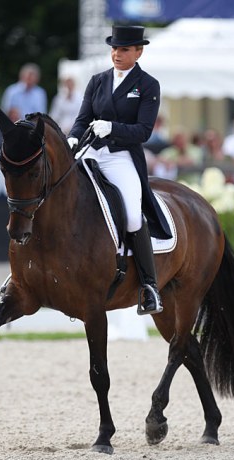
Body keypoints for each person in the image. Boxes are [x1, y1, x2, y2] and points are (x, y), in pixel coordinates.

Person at [67, 25, 173, 315]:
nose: (117, 54)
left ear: (138, 52)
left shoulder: (147, 85)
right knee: (56, 192)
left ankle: (149, 286)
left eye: (124, 49)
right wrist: (74, 136)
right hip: (90, 152)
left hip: (121, 156)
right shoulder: (97, 81)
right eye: (114, 48)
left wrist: (113, 128)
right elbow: (82, 118)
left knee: (130, 213)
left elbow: (143, 131)